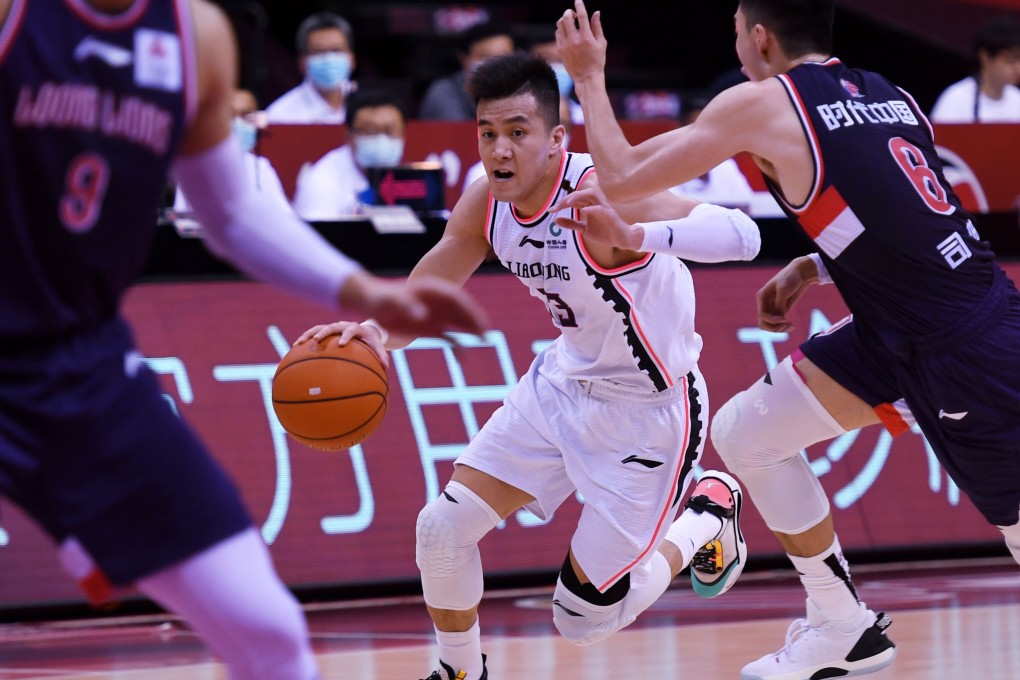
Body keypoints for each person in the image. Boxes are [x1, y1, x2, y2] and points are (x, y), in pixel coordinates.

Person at [0, 1, 487, 679]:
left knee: (269, 634)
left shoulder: (195, 34)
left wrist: (369, 294)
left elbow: (226, 209)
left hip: (81, 366)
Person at [556, 1, 1020, 679]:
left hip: (964, 350)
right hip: (910, 329)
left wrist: (588, 78)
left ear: (760, 37)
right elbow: (904, 220)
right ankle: (841, 625)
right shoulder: (890, 94)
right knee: (749, 432)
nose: (737, 41)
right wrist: (810, 267)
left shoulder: (760, 103)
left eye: (736, 27)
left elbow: (622, 179)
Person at [297, 52, 762, 680]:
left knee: (582, 620)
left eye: (518, 131)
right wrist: (374, 334)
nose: (500, 149)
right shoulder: (485, 204)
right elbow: (433, 282)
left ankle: (706, 515)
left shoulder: (608, 189)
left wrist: (638, 232)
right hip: (563, 385)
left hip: (652, 411)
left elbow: (743, 237)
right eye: (488, 133)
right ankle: (460, 671)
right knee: (441, 528)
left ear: (556, 139)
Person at [293, 89, 408, 220]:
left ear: (403, 135)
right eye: (370, 131)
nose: (381, 140)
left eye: (390, 131)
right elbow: (315, 238)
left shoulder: (414, 179)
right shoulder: (322, 180)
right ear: (349, 137)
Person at [175, 88, 290, 214]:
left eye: (246, 117)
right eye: (230, 116)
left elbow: (287, 217)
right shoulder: (196, 170)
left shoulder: (261, 166)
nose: (238, 123)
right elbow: (182, 225)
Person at [669, 92, 754, 212]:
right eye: (696, 128)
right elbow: (671, 212)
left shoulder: (726, 167)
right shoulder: (667, 169)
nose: (704, 135)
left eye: (709, 127)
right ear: (681, 128)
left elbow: (748, 207)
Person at [266, 12, 356, 124]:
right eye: (318, 52)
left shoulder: (366, 105)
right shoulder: (280, 116)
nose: (328, 58)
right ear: (302, 62)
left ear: (352, 59)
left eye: (336, 50)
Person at [417, 21, 515, 121]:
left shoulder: (523, 91)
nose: (496, 64)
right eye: (485, 56)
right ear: (464, 60)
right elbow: (460, 135)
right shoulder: (443, 94)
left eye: (504, 56)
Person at [930, 15, 1020, 123]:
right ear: (985, 57)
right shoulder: (956, 98)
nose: (1018, 67)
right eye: (1010, 60)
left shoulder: (1017, 99)